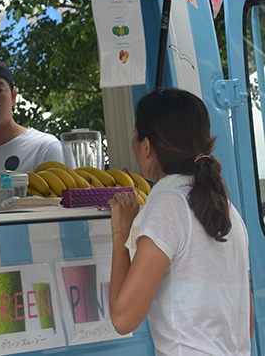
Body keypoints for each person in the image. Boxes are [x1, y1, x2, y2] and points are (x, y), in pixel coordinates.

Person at [108, 88, 253, 354]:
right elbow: (248, 324)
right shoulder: (228, 210)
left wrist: (120, 235)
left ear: (147, 146)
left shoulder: (168, 206)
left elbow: (122, 318)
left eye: (134, 134)